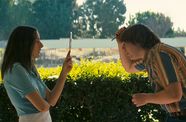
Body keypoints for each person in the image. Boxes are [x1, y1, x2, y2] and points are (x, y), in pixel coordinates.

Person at [115, 24, 186, 122]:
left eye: (125, 45)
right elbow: (129, 68)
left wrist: (145, 98)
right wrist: (119, 43)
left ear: (136, 41)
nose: (123, 50)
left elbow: (174, 95)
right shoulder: (151, 57)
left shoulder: (158, 55)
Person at [1, 26, 72, 122]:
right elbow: (43, 107)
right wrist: (47, 104)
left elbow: (51, 100)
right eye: (37, 41)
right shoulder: (15, 70)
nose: (41, 45)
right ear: (25, 44)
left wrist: (64, 73)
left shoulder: (29, 67)